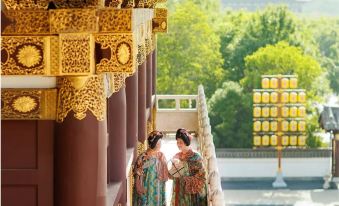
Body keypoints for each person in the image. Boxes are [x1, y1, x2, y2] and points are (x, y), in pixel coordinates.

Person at [170, 128, 208, 206]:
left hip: (190, 192)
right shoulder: (177, 156)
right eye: (177, 142)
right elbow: (172, 174)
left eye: (181, 142)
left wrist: (187, 179)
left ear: (186, 142)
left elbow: (202, 174)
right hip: (178, 189)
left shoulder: (195, 156)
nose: (178, 144)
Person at [133, 130, 168, 206]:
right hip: (146, 188)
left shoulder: (161, 156)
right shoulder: (143, 157)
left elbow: (165, 173)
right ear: (155, 143)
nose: (160, 145)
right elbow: (137, 173)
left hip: (158, 188)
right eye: (159, 143)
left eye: (160, 143)